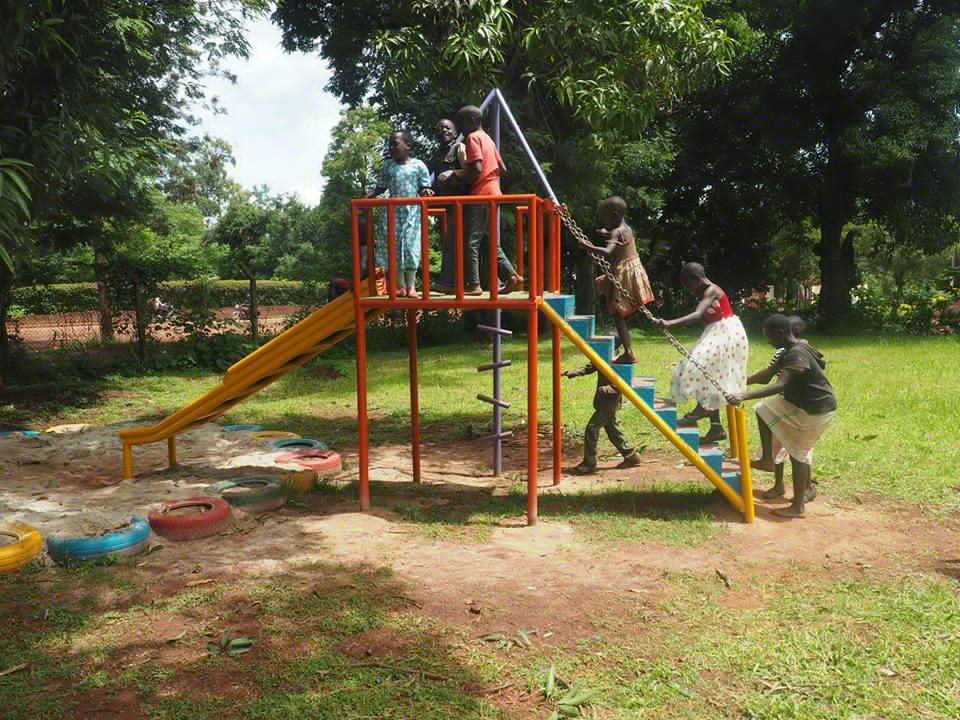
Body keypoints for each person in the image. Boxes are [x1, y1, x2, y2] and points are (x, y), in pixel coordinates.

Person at [730, 314, 837, 519]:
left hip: (817, 409)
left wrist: (743, 395)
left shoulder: (797, 353)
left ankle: (797, 507)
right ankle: (767, 459)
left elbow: (781, 384)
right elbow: (767, 375)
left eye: (769, 337)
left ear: (780, 333)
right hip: (800, 405)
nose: (768, 341)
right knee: (763, 408)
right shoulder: (789, 350)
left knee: (798, 453)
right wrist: (742, 382)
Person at [650, 262, 748, 443]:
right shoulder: (705, 292)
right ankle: (716, 428)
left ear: (696, 279)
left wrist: (669, 323)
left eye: (688, 285)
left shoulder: (712, 290)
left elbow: (697, 314)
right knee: (711, 376)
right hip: (717, 331)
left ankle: (699, 412)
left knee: (695, 368)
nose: (688, 289)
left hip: (725, 333)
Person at [576, 196, 655, 364]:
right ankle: (621, 339)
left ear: (615, 214)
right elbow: (618, 239)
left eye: (605, 216)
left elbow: (608, 251)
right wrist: (606, 233)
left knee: (618, 314)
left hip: (622, 274)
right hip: (634, 271)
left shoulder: (616, 232)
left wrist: (588, 246)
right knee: (619, 305)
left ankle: (628, 352)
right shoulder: (626, 229)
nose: (603, 220)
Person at [454, 105, 523, 296]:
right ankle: (511, 276)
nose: (460, 128)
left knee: (471, 241)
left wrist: (460, 178)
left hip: (481, 194)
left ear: (472, 122)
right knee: (490, 240)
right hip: (494, 192)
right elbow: (502, 168)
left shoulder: (472, 138)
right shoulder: (489, 140)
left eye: (461, 123)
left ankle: (474, 285)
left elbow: (476, 168)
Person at [367, 130, 433, 297]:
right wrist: (369, 196)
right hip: (392, 212)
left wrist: (426, 191)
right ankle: (401, 286)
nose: (391, 147)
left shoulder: (418, 165)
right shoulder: (388, 165)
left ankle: (411, 286)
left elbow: (424, 186)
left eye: (395, 144)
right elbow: (381, 187)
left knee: (410, 247)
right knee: (393, 247)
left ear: (408, 145)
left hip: (411, 212)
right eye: (389, 144)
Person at [564, 359, 641, 475]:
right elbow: (590, 367)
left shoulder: (619, 358)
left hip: (610, 401)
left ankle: (589, 463)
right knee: (612, 429)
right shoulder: (602, 355)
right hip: (604, 401)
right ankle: (631, 455)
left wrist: (608, 388)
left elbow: (624, 380)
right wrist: (574, 373)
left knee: (592, 428)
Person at [431, 118, 467, 292]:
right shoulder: (438, 154)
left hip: (462, 203)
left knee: (454, 243)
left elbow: (472, 170)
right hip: (447, 204)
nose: (443, 130)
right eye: (439, 128)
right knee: (451, 243)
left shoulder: (459, 148)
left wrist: (452, 171)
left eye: (447, 128)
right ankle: (453, 282)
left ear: (454, 131)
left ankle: (448, 283)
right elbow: (432, 178)